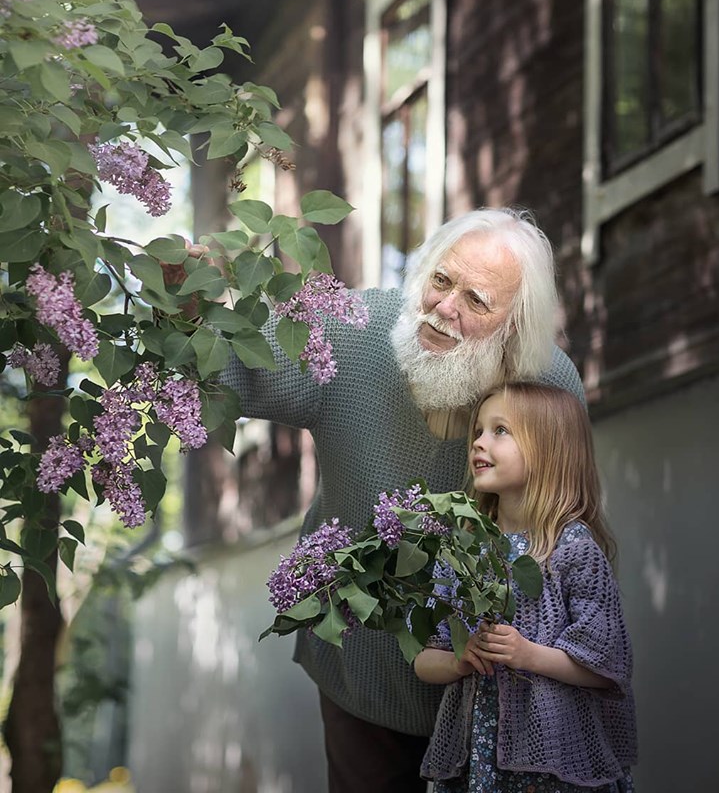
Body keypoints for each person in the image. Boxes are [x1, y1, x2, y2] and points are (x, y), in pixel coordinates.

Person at [176, 207, 586, 792]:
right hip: (361, 670)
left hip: (493, 690)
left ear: (515, 327)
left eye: (476, 300)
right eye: (441, 280)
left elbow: (570, 540)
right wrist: (188, 310)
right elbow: (232, 369)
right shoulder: (354, 332)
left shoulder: (550, 390)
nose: (444, 308)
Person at [414, 383, 637, 792]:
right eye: (478, 431)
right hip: (478, 766)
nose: (479, 442)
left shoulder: (572, 548)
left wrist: (527, 654)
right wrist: (460, 660)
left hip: (556, 766)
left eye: (500, 430)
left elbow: (607, 668)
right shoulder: (464, 550)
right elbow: (424, 658)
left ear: (548, 449)